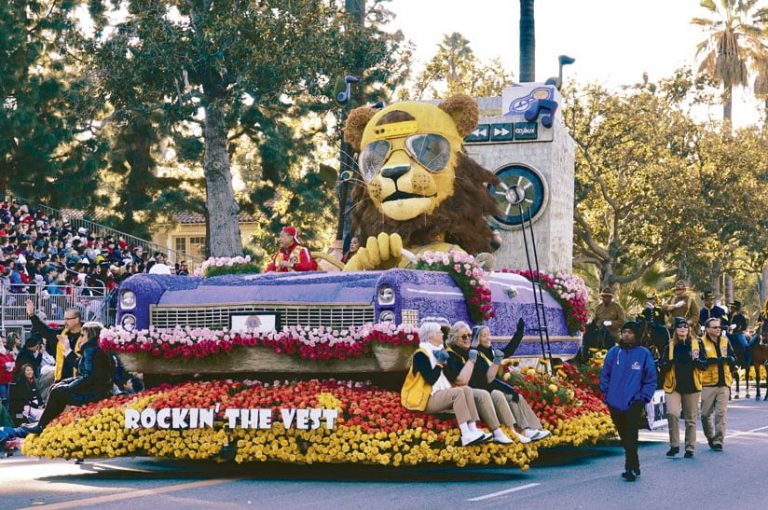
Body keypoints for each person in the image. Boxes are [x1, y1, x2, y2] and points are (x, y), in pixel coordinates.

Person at [400, 322, 492, 446]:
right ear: (430, 336)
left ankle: (473, 428)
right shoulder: (420, 355)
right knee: (458, 392)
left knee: (466, 389)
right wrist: (439, 363)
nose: (442, 334)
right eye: (439, 332)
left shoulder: (439, 351)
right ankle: (466, 433)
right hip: (425, 399)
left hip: (437, 394)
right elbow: (431, 379)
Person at [24, 321, 113, 434]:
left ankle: (42, 425)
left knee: (58, 392)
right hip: (97, 390)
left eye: (83, 335)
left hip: (93, 393)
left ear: (91, 335)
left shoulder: (91, 350)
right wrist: (65, 382)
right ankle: (44, 423)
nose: (81, 339)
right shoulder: (93, 348)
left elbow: (87, 376)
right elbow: (81, 366)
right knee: (57, 388)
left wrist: (68, 386)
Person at [443, 321, 525, 444]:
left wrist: (519, 334)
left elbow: (506, 352)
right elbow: (461, 381)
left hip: (475, 388)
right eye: (464, 337)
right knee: (485, 394)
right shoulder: (452, 354)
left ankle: (513, 430)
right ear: (455, 339)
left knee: (501, 394)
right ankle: (496, 431)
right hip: (459, 392)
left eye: (469, 335)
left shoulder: (472, 351)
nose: (468, 339)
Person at [468, 322, 551, 441]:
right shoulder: (477, 354)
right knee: (509, 394)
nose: (488, 338)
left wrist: (519, 333)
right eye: (484, 335)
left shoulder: (490, 351)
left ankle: (532, 429)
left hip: (493, 387)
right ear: (477, 339)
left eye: (488, 334)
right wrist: (508, 388)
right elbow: (487, 380)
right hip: (484, 390)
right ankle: (520, 430)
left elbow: (508, 350)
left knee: (517, 396)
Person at [599, 321, 657, 481]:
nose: (626, 335)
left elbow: (651, 379)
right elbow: (605, 374)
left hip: (634, 401)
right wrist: (606, 394)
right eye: (624, 332)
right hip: (614, 401)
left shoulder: (643, 353)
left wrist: (643, 397)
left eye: (630, 332)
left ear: (636, 335)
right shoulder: (614, 352)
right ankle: (635, 463)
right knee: (624, 435)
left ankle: (629, 468)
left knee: (631, 435)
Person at [660, 316, 706, 458]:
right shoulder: (670, 346)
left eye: (685, 327)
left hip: (692, 386)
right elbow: (662, 365)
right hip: (674, 386)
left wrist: (697, 361)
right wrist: (668, 363)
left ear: (689, 329)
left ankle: (690, 448)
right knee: (672, 414)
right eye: (679, 327)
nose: (682, 329)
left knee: (690, 418)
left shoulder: (697, 344)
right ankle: (674, 445)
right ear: (675, 330)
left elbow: (704, 364)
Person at [699, 317, 735, 452]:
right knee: (704, 414)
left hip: (724, 383)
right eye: (714, 327)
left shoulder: (726, 341)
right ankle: (710, 437)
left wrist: (732, 360)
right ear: (707, 329)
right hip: (708, 383)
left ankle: (719, 440)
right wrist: (714, 360)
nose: (718, 329)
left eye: (719, 327)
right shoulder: (700, 342)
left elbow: (733, 356)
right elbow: (700, 361)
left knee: (721, 413)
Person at [25, 298, 81, 383]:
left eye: (68, 319)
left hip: (79, 381)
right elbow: (44, 330)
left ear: (77, 320)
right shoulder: (61, 334)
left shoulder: (87, 336)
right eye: (64, 319)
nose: (65, 322)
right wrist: (32, 315)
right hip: (61, 381)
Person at [727, 300, 750, 368]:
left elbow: (744, 326)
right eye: (731, 307)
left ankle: (747, 361)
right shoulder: (728, 315)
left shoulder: (740, 316)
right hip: (728, 334)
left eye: (732, 307)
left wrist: (737, 326)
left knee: (745, 345)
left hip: (738, 333)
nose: (731, 308)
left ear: (736, 308)